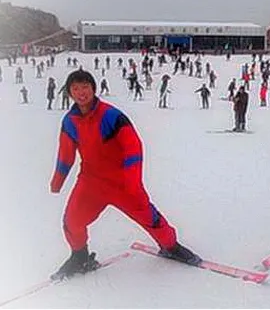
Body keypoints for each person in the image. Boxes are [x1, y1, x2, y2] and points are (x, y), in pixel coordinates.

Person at [49, 69, 201, 280]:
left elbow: (133, 147)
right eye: (75, 88)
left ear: (93, 88)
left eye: (85, 87)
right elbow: (65, 155)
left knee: (150, 217)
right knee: (72, 221)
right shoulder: (69, 122)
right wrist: (57, 180)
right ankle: (79, 255)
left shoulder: (111, 115)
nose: (81, 92)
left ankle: (170, 246)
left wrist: (132, 180)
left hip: (122, 183)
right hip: (91, 183)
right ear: (69, 93)